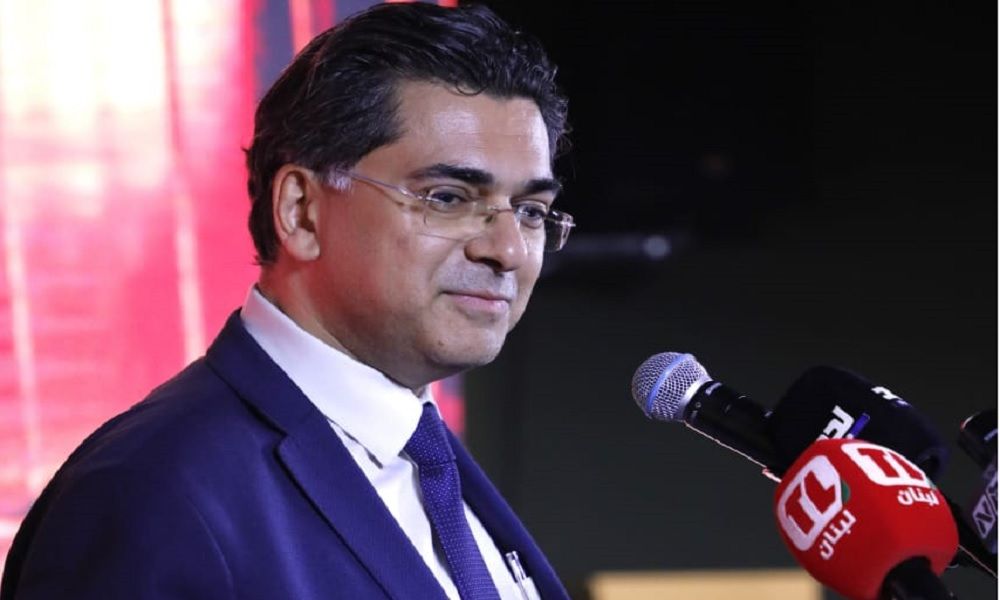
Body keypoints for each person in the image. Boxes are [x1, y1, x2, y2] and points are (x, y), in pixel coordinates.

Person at [0, 3, 574, 599]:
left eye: (531, 211)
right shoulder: (149, 494)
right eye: (448, 198)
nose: (508, 249)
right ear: (301, 211)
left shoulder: (431, 464)